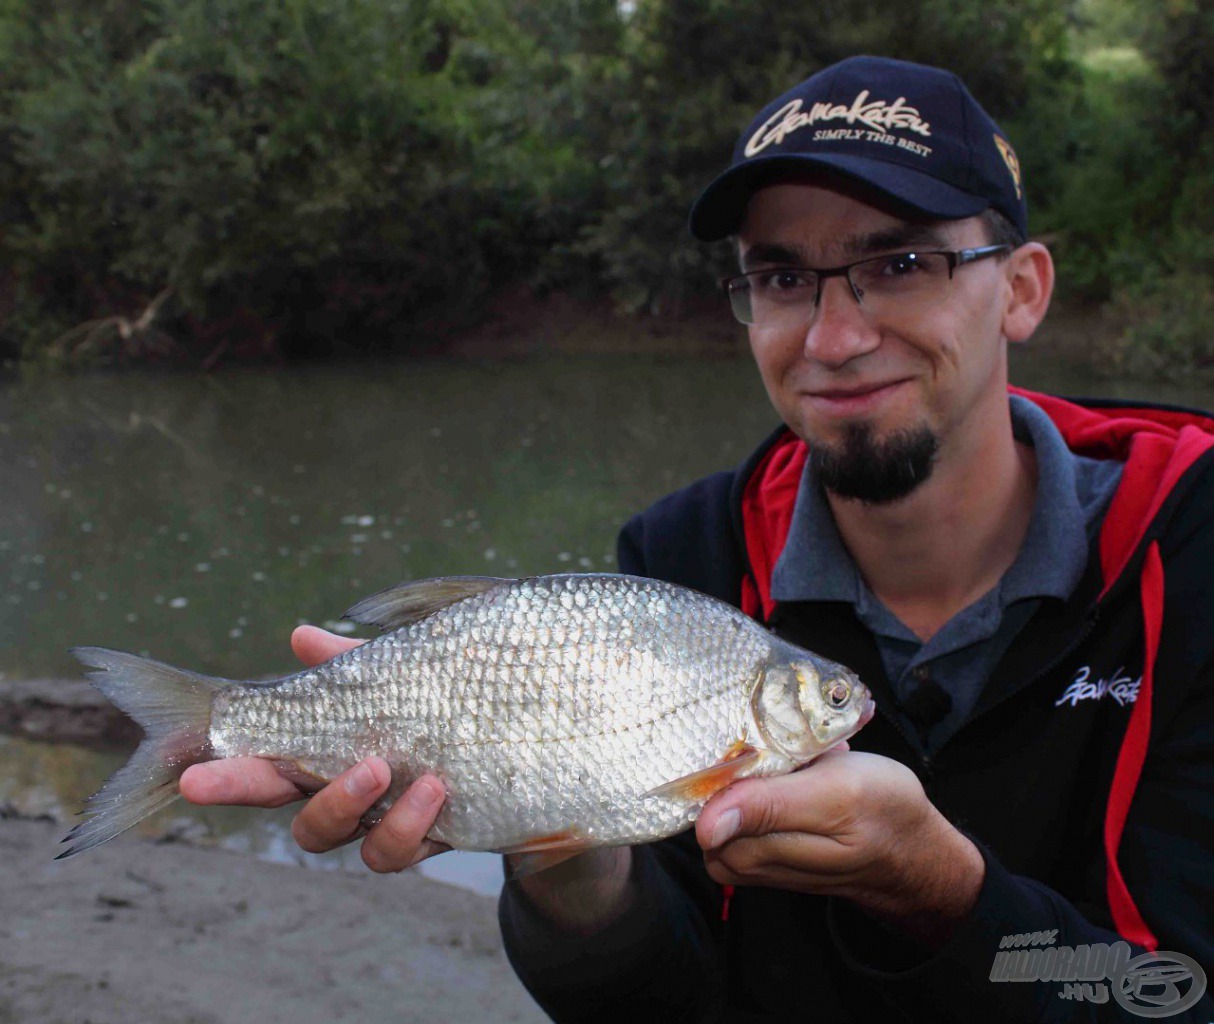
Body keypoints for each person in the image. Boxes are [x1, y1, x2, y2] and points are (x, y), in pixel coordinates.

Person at [181, 56, 1214, 1022]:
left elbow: (1169, 988)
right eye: (780, 278)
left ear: (1022, 288)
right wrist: (570, 865)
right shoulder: (683, 556)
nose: (833, 337)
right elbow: (658, 1001)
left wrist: (938, 889)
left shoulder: (1192, 548)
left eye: (898, 262)